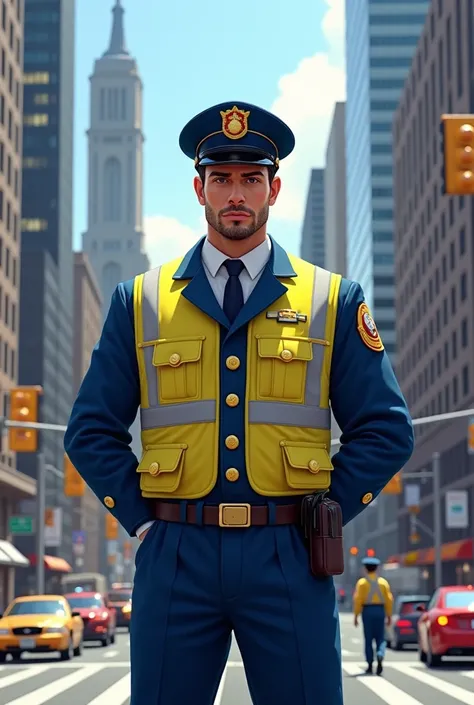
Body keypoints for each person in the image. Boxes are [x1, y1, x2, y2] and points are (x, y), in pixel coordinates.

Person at [64, 101, 413, 705]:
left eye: (251, 178)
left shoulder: (332, 298)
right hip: (175, 551)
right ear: (199, 188)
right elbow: (89, 429)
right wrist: (144, 523)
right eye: (221, 178)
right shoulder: (138, 301)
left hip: (290, 554)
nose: (235, 193)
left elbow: (386, 429)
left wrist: (324, 514)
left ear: (273, 189)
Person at [353, 556, 394, 675]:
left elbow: (358, 600)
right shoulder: (383, 583)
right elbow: (389, 599)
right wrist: (389, 615)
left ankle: (370, 664)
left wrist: (356, 616)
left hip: (367, 611)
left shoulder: (362, 583)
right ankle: (380, 654)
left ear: (366, 569)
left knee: (368, 638)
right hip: (380, 610)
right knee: (381, 637)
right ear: (376, 569)